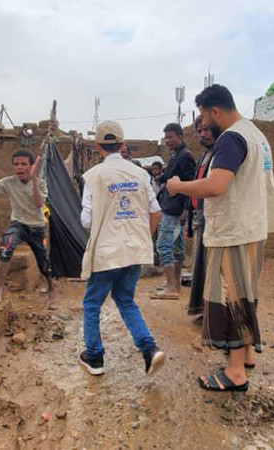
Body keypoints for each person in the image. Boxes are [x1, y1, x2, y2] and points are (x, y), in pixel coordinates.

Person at [167, 84, 274, 391]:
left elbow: (216, 186)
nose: (204, 123)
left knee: (231, 298)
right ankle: (246, 355)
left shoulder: (232, 139)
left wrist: (178, 186)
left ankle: (234, 373)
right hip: (252, 227)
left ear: (215, 111)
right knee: (245, 294)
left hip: (234, 230)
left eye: (205, 117)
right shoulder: (255, 134)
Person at [79, 121, 165, 376]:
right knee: (126, 300)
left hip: (107, 253)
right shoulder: (140, 174)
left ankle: (94, 357)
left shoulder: (94, 176)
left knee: (92, 304)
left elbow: (86, 220)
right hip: (134, 250)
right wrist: (140, 238)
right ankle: (149, 349)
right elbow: (156, 212)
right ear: (123, 145)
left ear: (97, 147)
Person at [0, 149, 58, 308]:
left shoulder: (40, 183)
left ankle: (51, 289)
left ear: (32, 166)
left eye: (24, 164)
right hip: (18, 224)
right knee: (5, 246)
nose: (19, 167)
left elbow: (39, 204)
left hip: (37, 227)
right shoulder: (9, 182)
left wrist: (33, 180)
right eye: (16, 164)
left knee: (44, 261)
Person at [152, 123, 196, 299]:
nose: (167, 141)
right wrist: (161, 178)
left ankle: (171, 287)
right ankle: (175, 285)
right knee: (177, 248)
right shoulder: (176, 155)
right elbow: (172, 175)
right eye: (166, 138)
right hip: (172, 207)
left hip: (176, 209)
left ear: (180, 136)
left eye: (171, 137)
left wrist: (187, 209)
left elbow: (190, 184)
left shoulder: (185, 156)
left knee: (163, 245)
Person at [187, 115, 216, 320]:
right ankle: (202, 309)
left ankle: (210, 311)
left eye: (206, 130)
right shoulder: (205, 155)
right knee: (200, 264)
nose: (203, 134)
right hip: (200, 216)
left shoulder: (220, 156)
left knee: (209, 266)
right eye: (199, 131)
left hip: (212, 218)